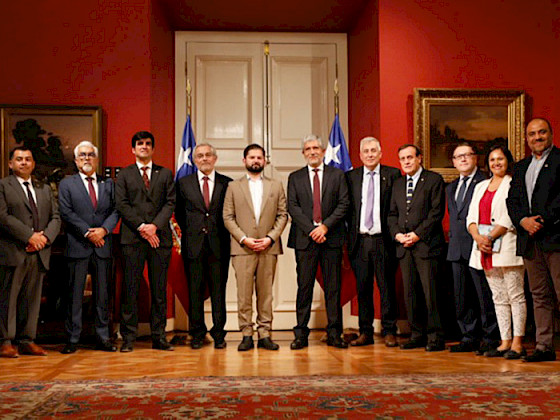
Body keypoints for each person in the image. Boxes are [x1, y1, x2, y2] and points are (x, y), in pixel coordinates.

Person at [223, 144, 288, 351]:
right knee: (244, 294)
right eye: (251, 157)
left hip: (268, 247)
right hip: (243, 248)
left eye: (259, 157)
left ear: (265, 161)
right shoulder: (233, 187)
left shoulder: (276, 186)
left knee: (266, 293)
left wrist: (270, 238)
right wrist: (243, 239)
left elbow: (282, 215)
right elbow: (227, 216)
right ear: (244, 161)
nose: (255, 161)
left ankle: (265, 333)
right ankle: (246, 334)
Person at [288, 134, 350, 349]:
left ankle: (334, 333)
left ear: (323, 152)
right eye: (308, 149)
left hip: (331, 238)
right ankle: (301, 334)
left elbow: (344, 204)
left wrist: (325, 227)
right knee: (304, 287)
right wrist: (312, 229)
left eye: (316, 148)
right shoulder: (294, 178)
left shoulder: (337, 175)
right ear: (303, 154)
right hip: (305, 240)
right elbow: (293, 208)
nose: (312, 152)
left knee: (333, 288)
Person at [115, 131, 175, 352]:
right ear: (133, 149)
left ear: (153, 148)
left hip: (159, 238)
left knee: (159, 290)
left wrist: (154, 227)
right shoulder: (124, 175)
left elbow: (170, 203)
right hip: (133, 238)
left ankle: (159, 337)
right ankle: (128, 338)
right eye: (140, 144)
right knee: (130, 289)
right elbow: (121, 204)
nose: (144, 147)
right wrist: (142, 227)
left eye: (148, 144)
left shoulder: (165, 173)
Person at [58, 141, 119, 354]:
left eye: (90, 154)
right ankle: (73, 339)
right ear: (75, 160)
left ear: (96, 159)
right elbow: (66, 212)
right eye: (82, 155)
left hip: (103, 245)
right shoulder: (67, 184)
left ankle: (103, 338)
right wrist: (88, 233)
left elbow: (116, 211)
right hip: (78, 245)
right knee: (74, 295)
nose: (86, 158)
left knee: (102, 296)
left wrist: (103, 231)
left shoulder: (109, 184)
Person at [507, 117, 560, 362]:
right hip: (529, 240)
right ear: (526, 138)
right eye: (532, 134)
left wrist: (540, 221)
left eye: (541, 132)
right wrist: (523, 221)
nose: (537, 137)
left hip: (555, 238)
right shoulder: (520, 167)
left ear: (550, 133)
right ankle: (544, 347)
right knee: (539, 295)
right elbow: (512, 202)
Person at [0, 147, 61, 358]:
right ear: (10, 164)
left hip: (39, 252)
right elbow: (3, 217)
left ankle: (27, 340)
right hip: (13, 251)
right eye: (19, 159)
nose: (24, 163)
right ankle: (5, 341)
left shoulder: (43, 188)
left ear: (33, 164)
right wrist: (29, 236)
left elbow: (56, 217)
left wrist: (44, 239)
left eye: (28, 159)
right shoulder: (3, 186)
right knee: (8, 299)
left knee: (32, 298)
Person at [468, 145, 526, 359]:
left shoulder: (514, 183)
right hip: (484, 249)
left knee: (515, 296)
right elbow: (471, 218)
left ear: (507, 161)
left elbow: (511, 216)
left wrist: (490, 237)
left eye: (500, 159)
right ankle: (505, 342)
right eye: (492, 160)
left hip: (507, 247)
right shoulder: (481, 186)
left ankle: (518, 343)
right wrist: (478, 237)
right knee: (499, 297)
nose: (496, 163)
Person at [388, 144, 446, 352]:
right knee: (410, 293)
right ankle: (416, 334)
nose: (406, 162)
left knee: (431, 294)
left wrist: (417, 235)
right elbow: (392, 214)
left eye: (410, 157)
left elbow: (436, 213)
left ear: (419, 158)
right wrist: (397, 234)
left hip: (426, 246)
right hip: (404, 248)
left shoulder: (433, 180)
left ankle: (435, 337)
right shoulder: (397, 184)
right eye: (402, 159)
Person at [175, 143, 232, 349]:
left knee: (219, 292)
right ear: (195, 160)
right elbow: (180, 214)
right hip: (194, 245)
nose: (204, 158)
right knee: (195, 291)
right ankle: (197, 333)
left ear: (215, 159)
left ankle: (219, 334)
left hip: (219, 245)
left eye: (208, 155)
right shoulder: (183, 183)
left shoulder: (228, 183)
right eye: (200, 156)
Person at [345, 137, 400, 347]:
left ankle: (389, 330)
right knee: (363, 289)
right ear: (360, 155)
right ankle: (365, 332)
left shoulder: (392, 175)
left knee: (387, 287)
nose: (369, 154)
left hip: (383, 240)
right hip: (359, 241)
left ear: (380, 153)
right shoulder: (351, 177)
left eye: (373, 151)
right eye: (365, 151)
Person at [446, 143, 499, 354]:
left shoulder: (486, 182)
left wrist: (484, 240)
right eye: (459, 157)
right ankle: (468, 336)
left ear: (475, 158)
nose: (464, 159)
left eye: (467, 155)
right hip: (456, 248)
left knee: (484, 295)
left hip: (478, 247)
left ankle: (491, 337)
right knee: (462, 297)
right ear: (454, 162)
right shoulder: (450, 187)